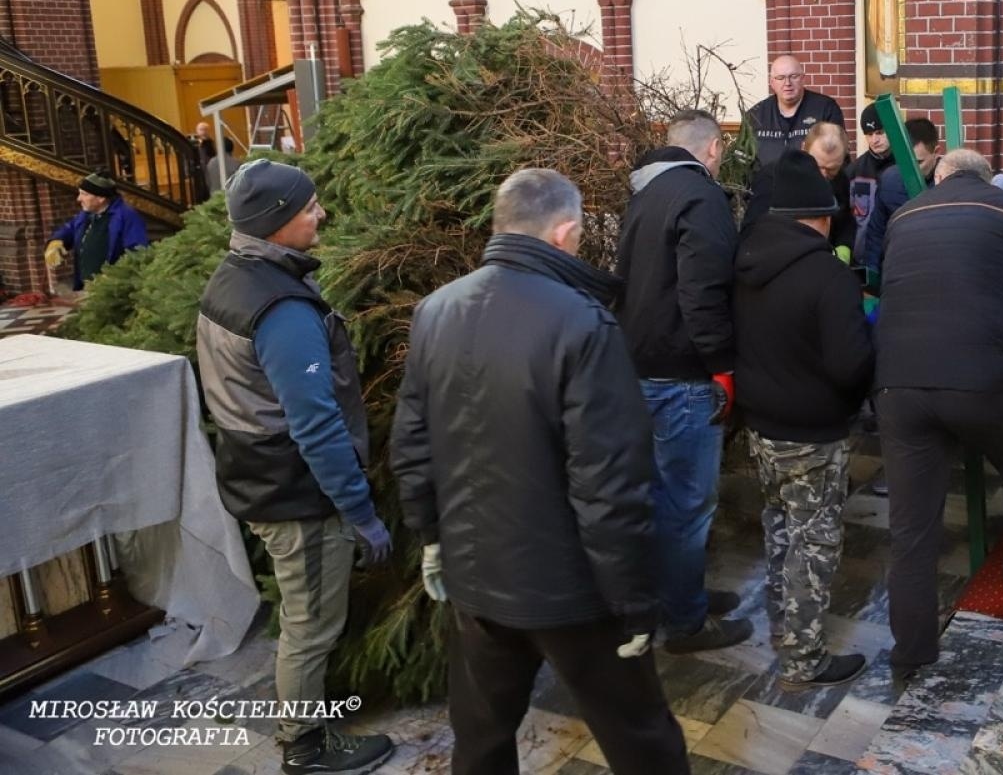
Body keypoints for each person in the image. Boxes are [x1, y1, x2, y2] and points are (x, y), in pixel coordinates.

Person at [391, 169, 689, 775]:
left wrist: (431, 537)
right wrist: (632, 596)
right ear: (566, 234)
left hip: (475, 577)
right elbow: (608, 482)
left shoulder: (436, 311)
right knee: (643, 741)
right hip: (572, 592)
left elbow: (412, 443)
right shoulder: (583, 324)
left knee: (480, 739)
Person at [194, 160, 393, 773]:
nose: (321, 213)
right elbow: (314, 424)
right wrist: (359, 510)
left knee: (301, 614)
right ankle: (304, 747)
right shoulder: (280, 309)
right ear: (277, 222)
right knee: (310, 626)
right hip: (296, 494)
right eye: (309, 207)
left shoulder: (232, 279)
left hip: (256, 476)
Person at [874, 148, 1003, 673]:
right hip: (984, 377)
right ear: (988, 180)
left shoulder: (906, 215)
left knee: (912, 526)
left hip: (899, 382)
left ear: (940, 177)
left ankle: (911, 650)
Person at [734, 150, 876, 689]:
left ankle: (782, 626)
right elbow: (848, 364)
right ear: (817, 217)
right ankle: (803, 658)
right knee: (813, 544)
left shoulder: (745, 261)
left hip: (762, 426)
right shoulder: (828, 275)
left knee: (779, 528)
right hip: (815, 434)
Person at [615, 109, 752, 653]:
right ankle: (687, 623)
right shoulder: (702, 197)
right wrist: (722, 364)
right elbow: (704, 291)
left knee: (656, 498)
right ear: (714, 148)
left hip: (638, 368)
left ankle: (675, 596)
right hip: (683, 374)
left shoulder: (646, 194)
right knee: (688, 504)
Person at [742, 122, 854, 251]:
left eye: (832, 169)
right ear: (803, 149)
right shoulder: (772, 177)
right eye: (816, 166)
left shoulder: (840, 179)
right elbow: (753, 230)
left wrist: (844, 248)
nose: (823, 175)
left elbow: (845, 222)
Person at [860, 116, 940, 279]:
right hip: (899, 270)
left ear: (936, 152)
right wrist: (872, 279)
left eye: (919, 162)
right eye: (905, 162)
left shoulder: (949, 182)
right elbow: (876, 234)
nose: (911, 170)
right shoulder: (889, 180)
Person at [45, 172, 149, 291]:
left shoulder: (127, 216)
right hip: (87, 286)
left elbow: (137, 251)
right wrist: (57, 241)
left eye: (84, 194)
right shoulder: (87, 214)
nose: (78, 199)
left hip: (114, 290)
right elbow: (70, 228)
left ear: (101, 198)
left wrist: (116, 275)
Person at [745, 55, 844, 168]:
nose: (787, 83)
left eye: (793, 76)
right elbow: (743, 164)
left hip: (813, 183)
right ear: (772, 82)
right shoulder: (755, 115)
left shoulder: (826, 109)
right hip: (768, 183)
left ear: (803, 79)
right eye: (780, 78)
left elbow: (838, 156)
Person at [845, 103, 894, 257]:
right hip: (863, 258)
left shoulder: (907, 168)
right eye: (869, 134)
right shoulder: (853, 171)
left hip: (896, 254)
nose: (875, 140)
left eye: (880, 132)